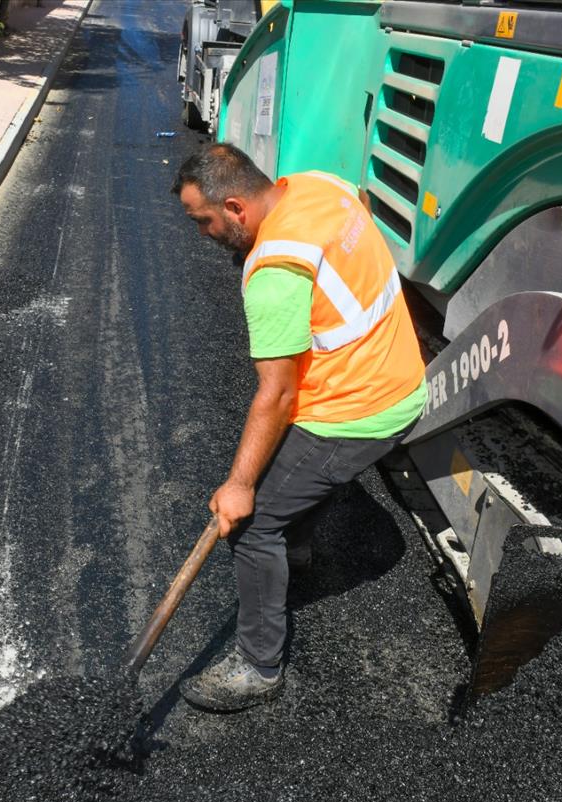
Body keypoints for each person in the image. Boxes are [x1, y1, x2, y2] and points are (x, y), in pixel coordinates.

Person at [172, 143, 426, 711]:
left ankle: (258, 667)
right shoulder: (318, 184)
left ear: (235, 207)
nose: (203, 232)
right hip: (396, 372)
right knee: (287, 467)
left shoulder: (275, 272)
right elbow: (357, 208)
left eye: (204, 220)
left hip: (363, 408)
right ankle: (297, 550)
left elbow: (278, 392)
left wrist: (238, 487)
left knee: (251, 521)